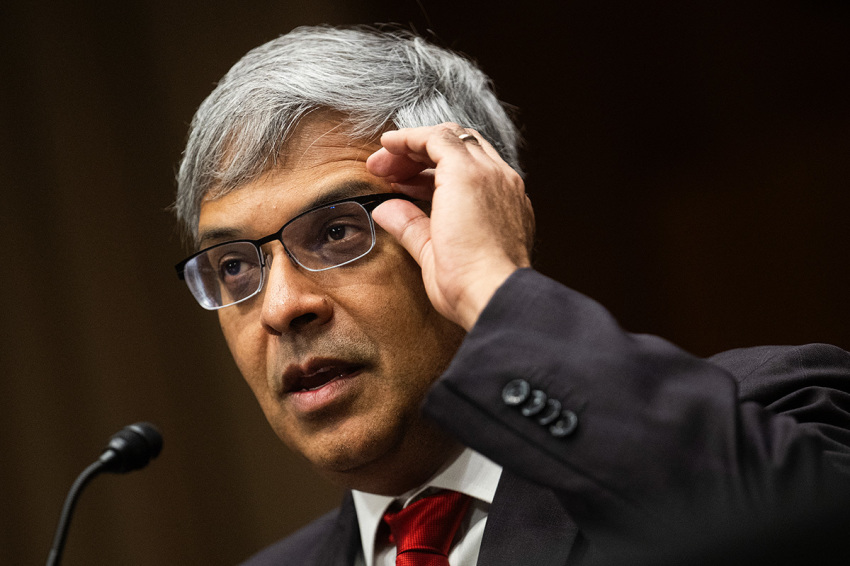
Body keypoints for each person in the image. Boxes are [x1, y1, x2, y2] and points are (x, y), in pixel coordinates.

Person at [172, 25, 850, 565]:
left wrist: (496, 287)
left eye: (340, 230)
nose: (283, 307)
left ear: (472, 212)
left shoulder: (770, 411)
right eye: (234, 268)